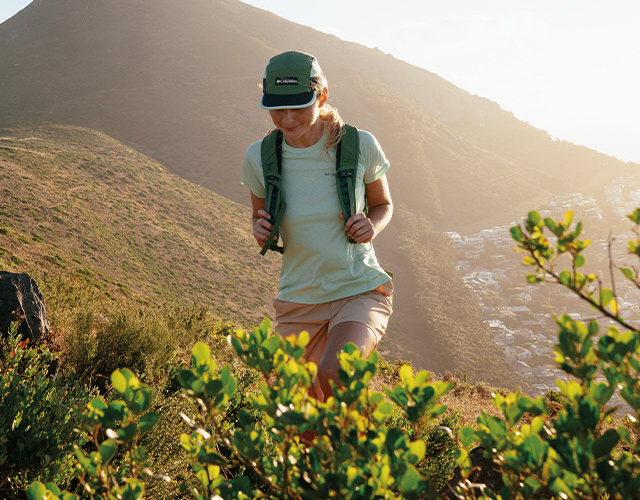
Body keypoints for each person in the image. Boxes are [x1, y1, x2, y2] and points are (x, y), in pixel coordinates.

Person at [241, 50, 393, 402]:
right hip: (298, 299)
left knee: (335, 373)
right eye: (277, 107)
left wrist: (372, 225)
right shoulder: (260, 157)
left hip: (358, 288)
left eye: (298, 106)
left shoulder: (358, 145)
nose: (287, 118)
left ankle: (365, 456)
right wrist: (259, 229)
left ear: (321, 96)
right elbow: (258, 216)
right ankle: (328, 456)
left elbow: (383, 205)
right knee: (296, 407)